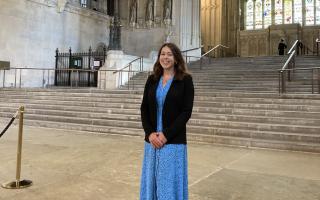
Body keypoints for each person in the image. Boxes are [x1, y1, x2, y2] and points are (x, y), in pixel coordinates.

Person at [140, 42, 194, 200]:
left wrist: (165, 135)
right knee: (152, 181)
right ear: (159, 58)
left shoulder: (185, 80)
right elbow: (144, 108)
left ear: (176, 58)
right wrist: (150, 134)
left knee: (169, 183)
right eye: (163, 54)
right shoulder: (152, 80)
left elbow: (186, 112)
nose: (165, 57)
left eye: (169, 54)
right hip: (152, 142)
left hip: (173, 142)